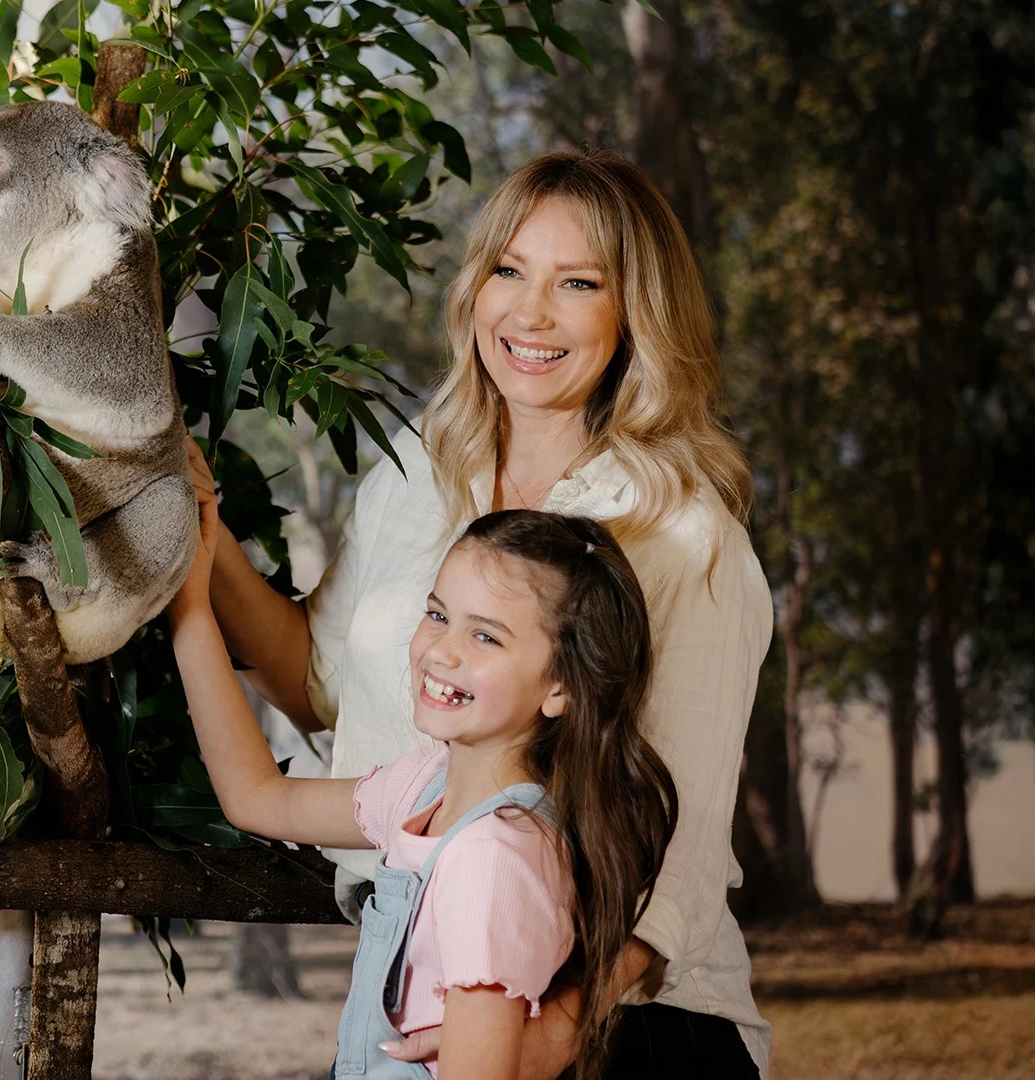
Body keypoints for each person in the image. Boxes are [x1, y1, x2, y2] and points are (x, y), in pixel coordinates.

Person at [188, 147, 773, 1077]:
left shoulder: (684, 533)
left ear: (636, 316)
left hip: (619, 1027)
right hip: (426, 991)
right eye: (509, 270)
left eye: (577, 282)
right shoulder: (417, 473)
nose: (530, 313)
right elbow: (317, 686)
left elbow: (683, 855)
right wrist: (202, 539)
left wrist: (552, 1035)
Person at [170, 508, 677, 1079]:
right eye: (438, 614)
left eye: (486, 635)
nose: (442, 650)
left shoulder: (490, 859)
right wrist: (188, 598)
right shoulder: (423, 788)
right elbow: (257, 798)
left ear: (562, 687)